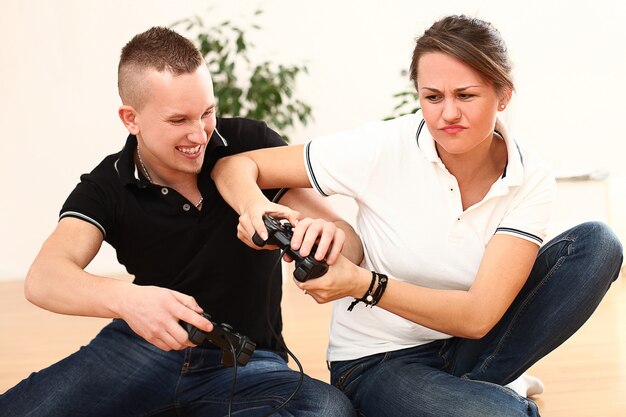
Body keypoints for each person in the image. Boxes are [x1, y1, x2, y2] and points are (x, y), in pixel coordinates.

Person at [211, 15, 624, 417]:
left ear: (503, 95)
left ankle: (473, 391)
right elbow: (233, 166)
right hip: (379, 361)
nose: (447, 114)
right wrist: (257, 206)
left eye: (465, 96)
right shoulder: (382, 147)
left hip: (470, 341)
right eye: (432, 97)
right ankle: (481, 393)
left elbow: (478, 317)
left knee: (597, 244)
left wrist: (363, 284)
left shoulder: (528, 178)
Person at [0, 27, 359, 417]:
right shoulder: (107, 185)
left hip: (246, 362)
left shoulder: (249, 144)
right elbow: (44, 278)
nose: (198, 133)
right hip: (138, 351)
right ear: (130, 119)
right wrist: (128, 300)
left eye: (207, 112)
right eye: (178, 120)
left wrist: (329, 237)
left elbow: (349, 242)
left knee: (329, 411)